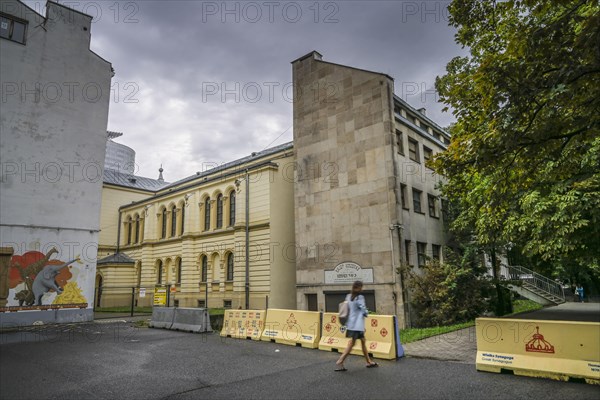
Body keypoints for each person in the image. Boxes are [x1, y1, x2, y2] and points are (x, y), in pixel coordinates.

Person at [335, 281, 378, 371]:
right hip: (357, 325)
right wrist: (366, 313)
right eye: (361, 287)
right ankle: (340, 361)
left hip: (351, 323)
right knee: (352, 344)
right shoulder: (359, 297)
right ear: (358, 288)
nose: (362, 289)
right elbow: (363, 308)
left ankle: (368, 361)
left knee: (362, 341)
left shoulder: (348, 296)